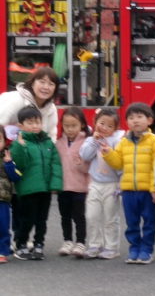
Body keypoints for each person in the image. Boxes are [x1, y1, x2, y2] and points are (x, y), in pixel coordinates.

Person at [0, 67, 60, 251]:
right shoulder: (16, 100)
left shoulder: (51, 109)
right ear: (32, 83)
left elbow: (51, 137)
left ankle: (19, 239)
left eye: (51, 84)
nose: (46, 87)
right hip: (6, 155)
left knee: (22, 201)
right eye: (41, 81)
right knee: (5, 200)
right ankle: (8, 240)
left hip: (31, 162)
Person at [101, 103, 155, 265]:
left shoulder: (154, 141)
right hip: (128, 190)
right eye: (131, 118)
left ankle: (146, 250)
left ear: (149, 120)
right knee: (131, 223)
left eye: (139, 117)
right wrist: (108, 153)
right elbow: (118, 163)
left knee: (149, 222)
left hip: (147, 191)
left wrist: (154, 189)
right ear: (126, 122)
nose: (135, 121)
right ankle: (134, 248)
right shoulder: (124, 142)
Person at [10, 106, 63, 260]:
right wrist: (20, 146)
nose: (35, 126)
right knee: (27, 219)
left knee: (42, 220)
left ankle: (39, 244)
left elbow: (55, 164)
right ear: (21, 126)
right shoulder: (18, 143)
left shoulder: (47, 142)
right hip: (28, 189)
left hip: (44, 189)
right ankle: (21, 244)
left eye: (37, 122)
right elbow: (20, 164)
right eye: (30, 123)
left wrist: (55, 185)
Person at [79, 108, 123, 260]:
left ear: (115, 128)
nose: (104, 128)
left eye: (110, 126)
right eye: (102, 123)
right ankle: (95, 244)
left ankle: (112, 247)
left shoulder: (117, 141)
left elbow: (121, 163)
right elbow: (85, 155)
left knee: (111, 218)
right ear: (95, 122)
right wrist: (93, 140)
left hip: (112, 185)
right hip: (95, 184)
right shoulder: (90, 140)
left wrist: (121, 184)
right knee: (91, 216)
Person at [55, 107, 90, 258]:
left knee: (79, 217)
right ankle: (67, 241)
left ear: (82, 124)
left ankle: (80, 243)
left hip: (79, 188)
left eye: (74, 125)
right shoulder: (58, 143)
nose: (70, 129)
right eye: (66, 125)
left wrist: (80, 165)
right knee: (65, 216)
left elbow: (89, 168)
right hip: (63, 187)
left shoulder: (86, 143)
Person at [0, 126, 20, 264]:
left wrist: (9, 164)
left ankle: (2, 251)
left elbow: (15, 177)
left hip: (3, 199)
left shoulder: (7, 157)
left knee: (2, 226)